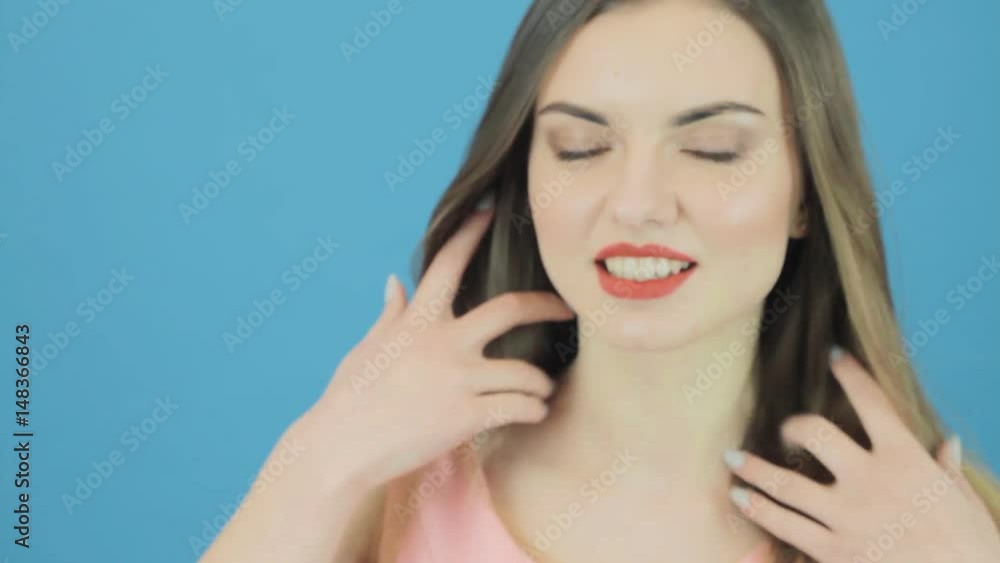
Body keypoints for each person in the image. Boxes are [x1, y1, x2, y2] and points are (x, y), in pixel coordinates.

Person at [198, 0, 1000, 561]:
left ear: (805, 193)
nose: (638, 203)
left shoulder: (930, 529)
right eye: (581, 147)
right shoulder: (388, 483)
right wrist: (317, 459)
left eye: (714, 148)